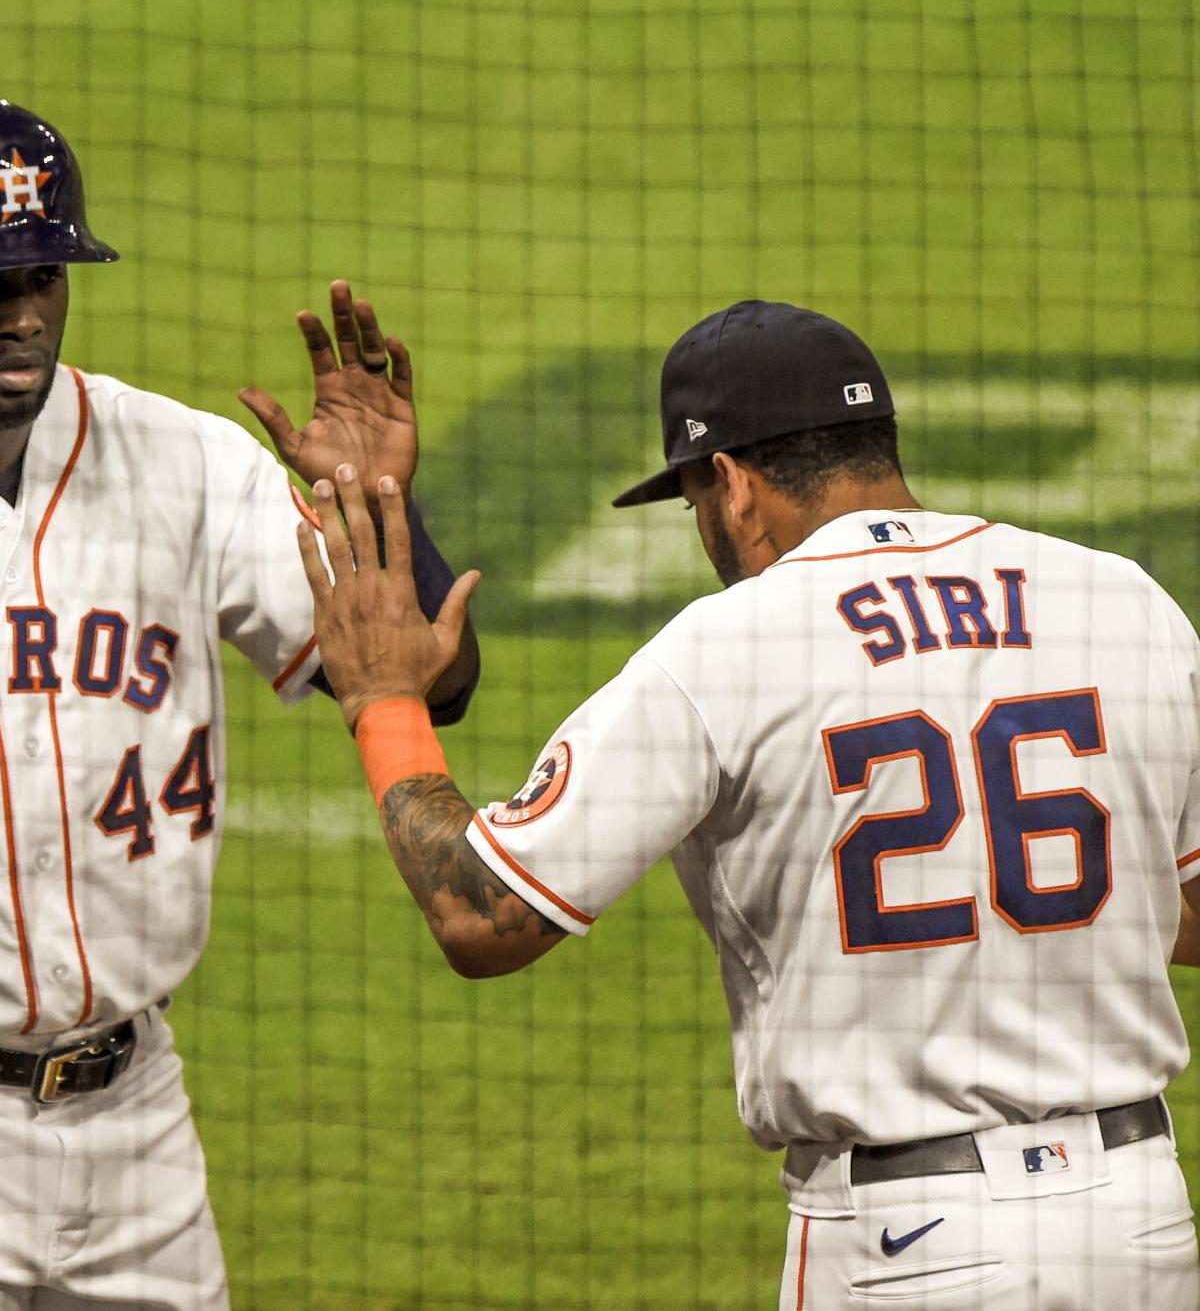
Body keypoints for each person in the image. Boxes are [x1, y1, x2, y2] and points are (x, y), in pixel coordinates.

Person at [0, 97, 480, 1308]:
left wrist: (376, 507)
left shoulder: (182, 461)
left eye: (44, 270)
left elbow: (432, 680)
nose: (23, 310)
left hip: (140, 1125)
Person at [293, 299, 1200, 1309]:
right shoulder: (1117, 600)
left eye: (687, 500)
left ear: (729, 484)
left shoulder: (726, 647)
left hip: (911, 1248)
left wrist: (382, 703)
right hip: (1139, 1220)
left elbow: (481, 913)